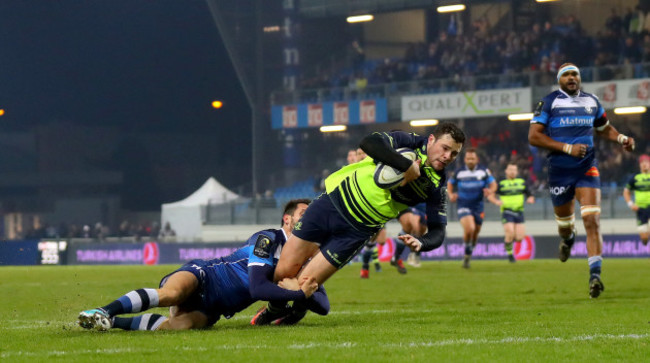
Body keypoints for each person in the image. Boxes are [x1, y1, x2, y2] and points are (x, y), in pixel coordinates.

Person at [251, 122, 465, 325]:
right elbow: (369, 143)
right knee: (282, 272)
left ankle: (291, 309)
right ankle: (277, 309)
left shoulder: (438, 187)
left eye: (454, 153)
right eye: (445, 148)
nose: (448, 156)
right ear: (431, 140)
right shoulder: (407, 141)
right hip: (331, 204)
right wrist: (405, 166)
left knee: (304, 283)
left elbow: (438, 231)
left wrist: (422, 242)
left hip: (356, 232)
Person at [77, 199, 329, 331]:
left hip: (216, 307)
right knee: (172, 294)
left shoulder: (306, 257)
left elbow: (324, 305)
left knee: (178, 326)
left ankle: (109, 324)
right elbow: (257, 288)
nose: (308, 219)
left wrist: (305, 294)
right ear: (287, 219)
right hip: (206, 275)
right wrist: (297, 293)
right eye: (303, 214)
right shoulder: (268, 239)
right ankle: (103, 311)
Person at [529, 63, 635, 298]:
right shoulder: (548, 102)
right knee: (565, 226)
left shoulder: (592, 101)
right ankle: (568, 240)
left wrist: (621, 138)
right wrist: (567, 147)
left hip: (587, 169)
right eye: (566, 74)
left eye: (575, 73)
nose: (571, 77)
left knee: (592, 220)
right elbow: (534, 136)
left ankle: (594, 276)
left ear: (580, 78)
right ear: (559, 79)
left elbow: (604, 128)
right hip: (559, 172)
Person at [447, 148, 497, 269]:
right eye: (468, 158)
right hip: (463, 204)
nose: (470, 161)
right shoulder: (458, 172)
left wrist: (490, 191)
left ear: (477, 159)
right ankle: (467, 249)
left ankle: (467, 256)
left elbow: (493, 184)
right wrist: (450, 194)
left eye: (472, 158)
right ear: (465, 159)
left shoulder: (484, 171)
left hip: (478, 206)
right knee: (470, 228)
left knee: (475, 234)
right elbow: (450, 183)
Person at [486, 162, 535, 263]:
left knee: (519, 238)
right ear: (506, 171)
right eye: (510, 170)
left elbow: (530, 195)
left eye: (514, 170)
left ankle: (508, 243)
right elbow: (490, 195)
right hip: (507, 211)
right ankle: (510, 255)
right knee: (510, 232)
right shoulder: (501, 183)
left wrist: (530, 199)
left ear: (517, 171)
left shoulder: (522, 182)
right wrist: (496, 201)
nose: (512, 172)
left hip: (519, 211)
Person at [391, 204, 428, 273]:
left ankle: (396, 257)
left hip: (423, 206)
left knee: (421, 229)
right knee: (412, 225)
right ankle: (413, 253)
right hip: (408, 203)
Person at [623, 154, 650, 246]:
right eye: (642, 162)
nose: (644, 164)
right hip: (640, 209)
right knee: (644, 238)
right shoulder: (634, 178)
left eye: (646, 162)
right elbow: (626, 191)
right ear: (639, 165)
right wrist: (630, 204)